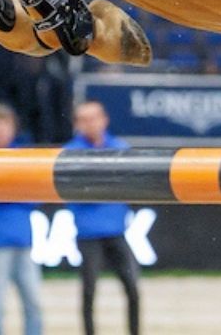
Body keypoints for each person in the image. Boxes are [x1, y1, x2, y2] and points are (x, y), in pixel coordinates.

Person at [65, 101, 140, 335]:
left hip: (116, 231)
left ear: (104, 119)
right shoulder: (70, 153)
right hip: (88, 234)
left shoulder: (120, 148)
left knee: (133, 289)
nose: (90, 123)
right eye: (84, 119)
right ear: (77, 124)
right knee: (89, 291)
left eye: (94, 118)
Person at [0, 104, 42, 335]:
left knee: (33, 302)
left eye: (5, 126)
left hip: (23, 242)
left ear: (13, 129)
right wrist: (14, 192)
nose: (0, 132)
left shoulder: (23, 158)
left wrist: (1, 191)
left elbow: (34, 196)